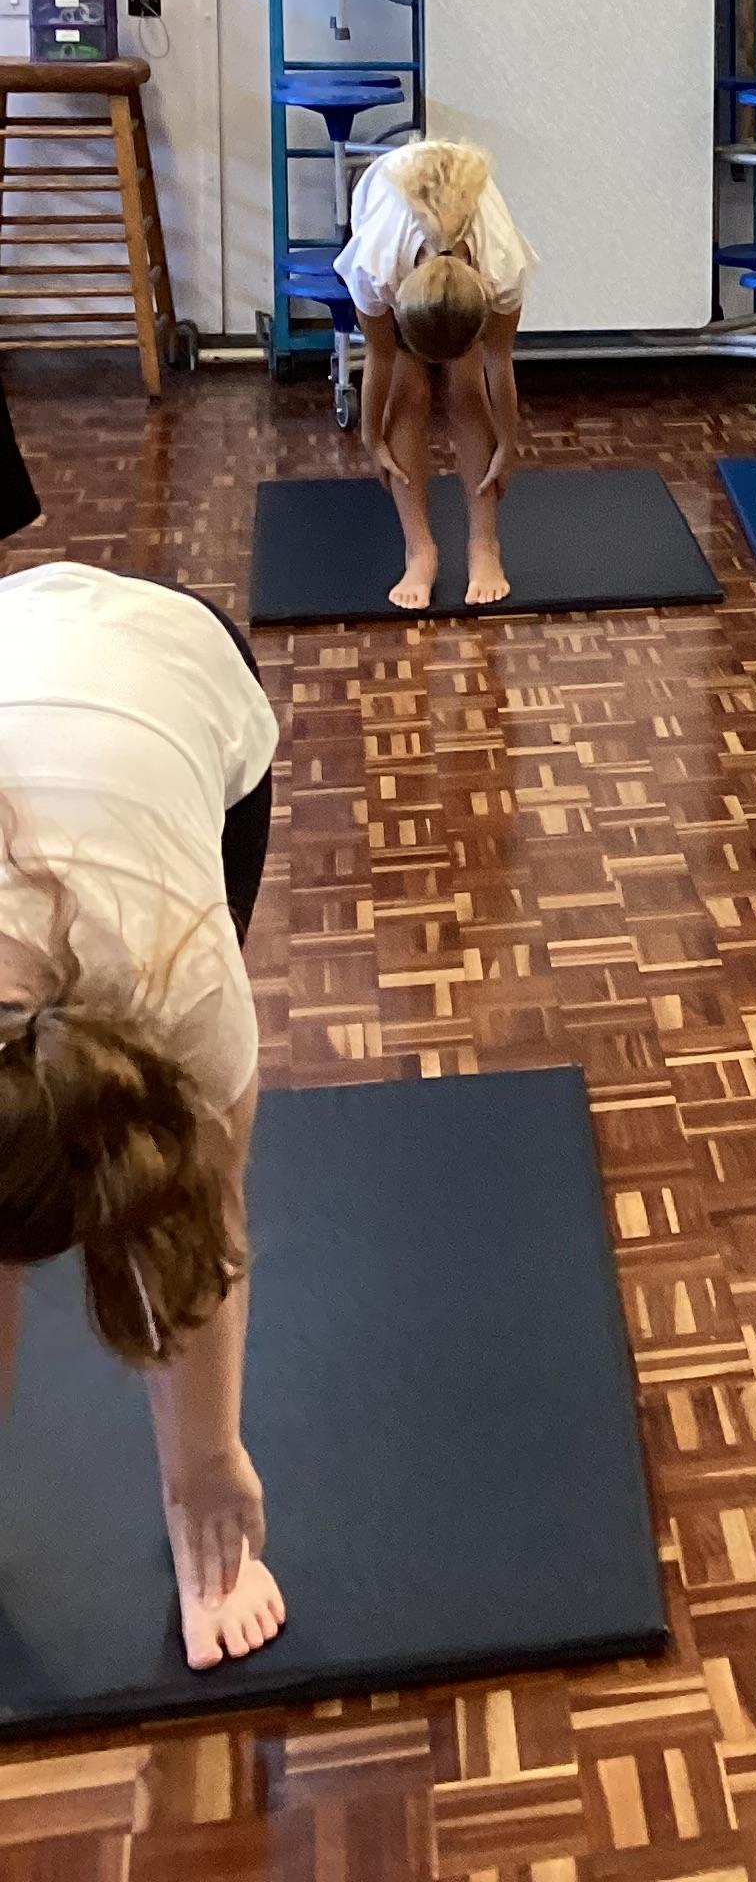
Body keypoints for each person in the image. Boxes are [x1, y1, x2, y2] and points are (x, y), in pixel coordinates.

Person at [0, 562, 284, 1670]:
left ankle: (185, 1499)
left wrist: (206, 1467)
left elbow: (200, 1223)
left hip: (173, 666)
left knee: (175, 1195)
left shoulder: (180, 990)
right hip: (18, 647)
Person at [338, 139, 532, 612]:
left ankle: (484, 546)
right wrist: (371, 439)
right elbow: (380, 358)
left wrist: (508, 444)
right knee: (408, 390)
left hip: (464, 261)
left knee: (467, 388)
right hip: (388, 209)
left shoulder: (501, 264)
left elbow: (498, 360)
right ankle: (419, 551)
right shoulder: (376, 265)